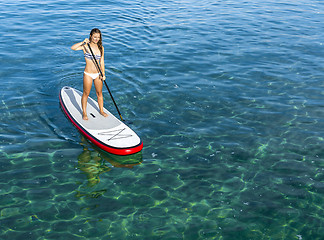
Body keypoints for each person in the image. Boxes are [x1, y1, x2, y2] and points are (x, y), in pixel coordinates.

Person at [71, 28, 108, 120]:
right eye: (94, 37)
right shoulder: (85, 46)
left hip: (98, 74)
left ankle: (101, 111)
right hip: (88, 73)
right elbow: (73, 48)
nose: (96, 39)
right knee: (86, 93)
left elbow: (102, 62)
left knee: (99, 93)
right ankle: (84, 112)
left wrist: (103, 73)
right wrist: (82, 42)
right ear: (90, 36)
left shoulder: (101, 48)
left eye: (98, 37)